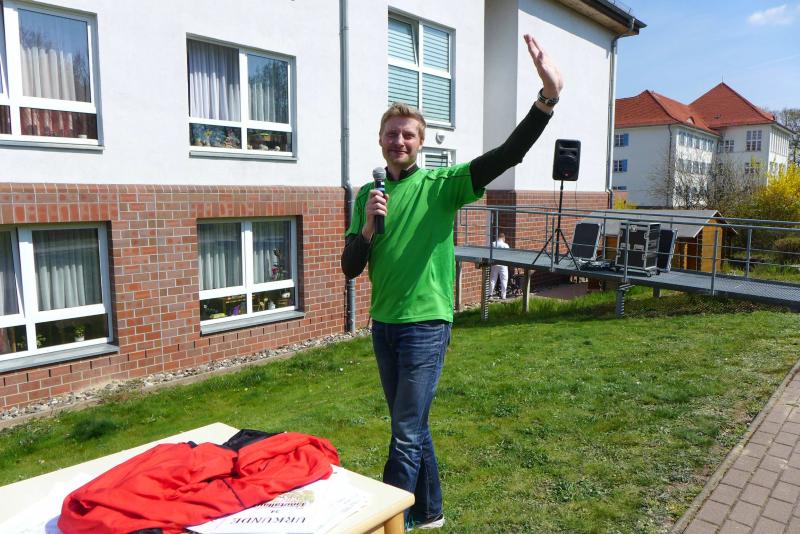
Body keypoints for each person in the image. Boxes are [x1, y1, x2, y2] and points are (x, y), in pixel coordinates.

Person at [340, 34, 562, 530]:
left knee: (404, 432)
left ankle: (391, 523)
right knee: (412, 425)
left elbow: (507, 155)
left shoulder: (442, 186)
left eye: (408, 135)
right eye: (391, 134)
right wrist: (369, 226)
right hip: (384, 325)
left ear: (420, 143)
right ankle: (430, 510)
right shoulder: (368, 196)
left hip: (426, 325)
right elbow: (351, 267)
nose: (399, 141)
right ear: (380, 141)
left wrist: (547, 99)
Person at [489, 232, 511, 299]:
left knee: (493, 279)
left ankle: (490, 294)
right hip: (503, 264)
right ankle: (503, 296)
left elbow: (489, 253)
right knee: (504, 280)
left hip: (494, 263)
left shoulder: (493, 244)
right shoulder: (506, 245)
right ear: (503, 238)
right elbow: (508, 255)